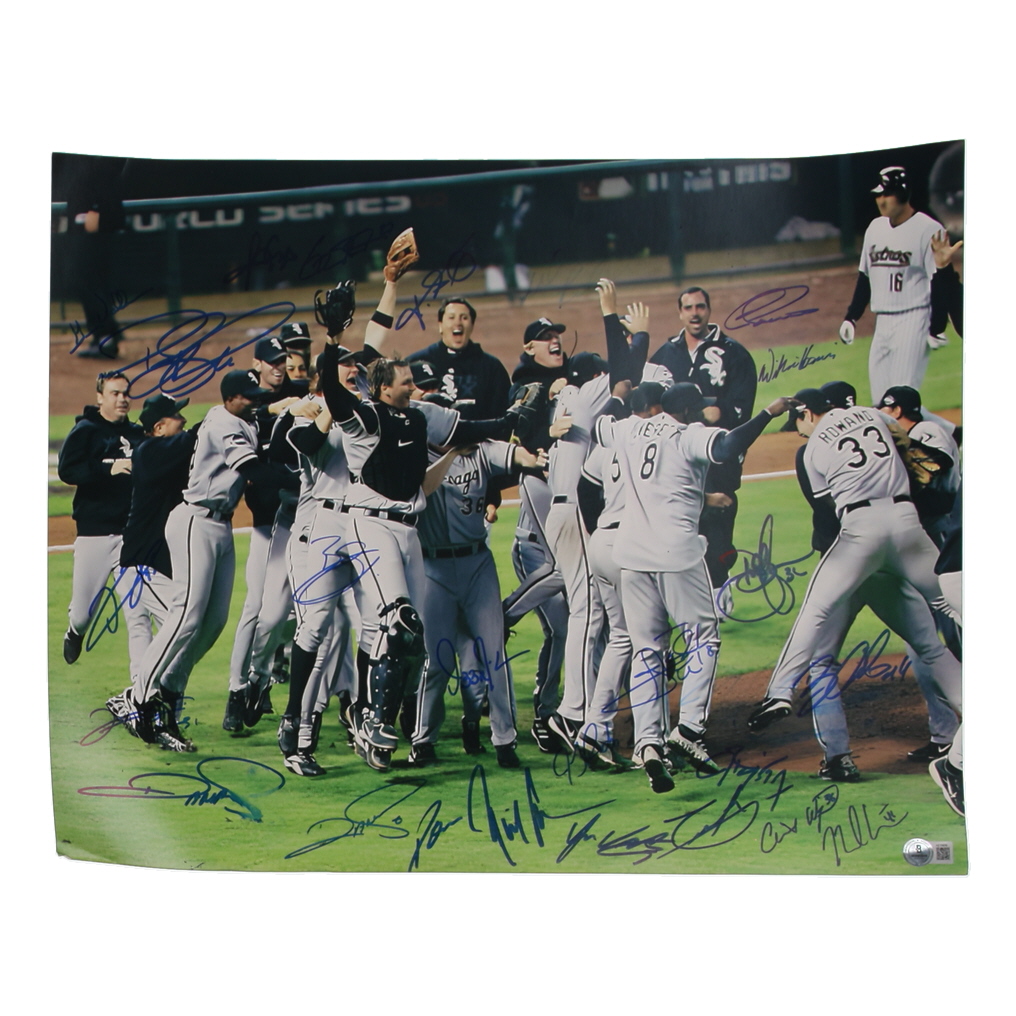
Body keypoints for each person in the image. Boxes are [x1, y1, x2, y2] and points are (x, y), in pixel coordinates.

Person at [746, 387, 961, 782]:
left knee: (821, 651)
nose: (798, 430)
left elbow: (828, 509)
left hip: (851, 554)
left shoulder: (810, 451)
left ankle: (791, 706)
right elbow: (908, 444)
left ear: (809, 413)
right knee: (936, 637)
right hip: (904, 534)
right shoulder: (874, 417)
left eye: (798, 421)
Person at [121, 369, 300, 751]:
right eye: (248, 396)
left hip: (221, 526)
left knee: (214, 622)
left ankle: (169, 689)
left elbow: (259, 417)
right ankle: (138, 697)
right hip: (195, 521)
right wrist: (303, 481)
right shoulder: (221, 423)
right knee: (186, 616)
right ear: (230, 398)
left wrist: (283, 406)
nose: (254, 400)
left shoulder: (240, 418)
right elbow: (253, 470)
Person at [411, 437, 547, 768]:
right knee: (438, 661)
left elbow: (513, 454)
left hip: (477, 565)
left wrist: (532, 458)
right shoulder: (414, 452)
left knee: (494, 655)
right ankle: (423, 739)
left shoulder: (480, 450)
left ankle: (505, 740)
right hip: (433, 568)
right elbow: (422, 487)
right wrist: (452, 452)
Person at [648, 286, 757, 600]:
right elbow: (650, 401)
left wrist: (720, 411)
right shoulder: (665, 354)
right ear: (680, 312)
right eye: (688, 308)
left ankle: (719, 587)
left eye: (700, 307)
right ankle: (690, 594)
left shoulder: (734, 354)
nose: (694, 313)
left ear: (709, 310)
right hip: (675, 455)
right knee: (680, 523)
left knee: (718, 523)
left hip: (716, 456)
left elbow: (742, 408)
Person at [58, 370, 148, 668]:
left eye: (126, 393)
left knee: (138, 614)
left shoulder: (137, 433)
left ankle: (142, 689)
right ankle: (75, 631)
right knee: (83, 615)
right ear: (100, 397)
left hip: (131, 536)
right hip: (94, 534)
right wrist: (106, 469)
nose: (122, 399)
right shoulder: (86, 430)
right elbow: (67, 470)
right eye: (115, 393)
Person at [838, 166, 949, 409]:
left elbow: (939, 280)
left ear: (903, 194)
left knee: (901, 402)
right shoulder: (875, 228)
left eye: (887, 194)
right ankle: (952, 430)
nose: (881, 200)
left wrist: (937, 326)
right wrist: (851, 317)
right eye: (878, 194)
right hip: (882, 322)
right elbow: (865, 277)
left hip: (913, 319)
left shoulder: (929, 229)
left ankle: (942, 433)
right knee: (881, 404)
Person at [405, 298, 511, 420]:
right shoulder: (415, 362)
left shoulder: (492, 367)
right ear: (440, 325)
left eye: (464, 318)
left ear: (472, 325)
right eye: (451, 317)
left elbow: (502, 417)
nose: (458, 323)